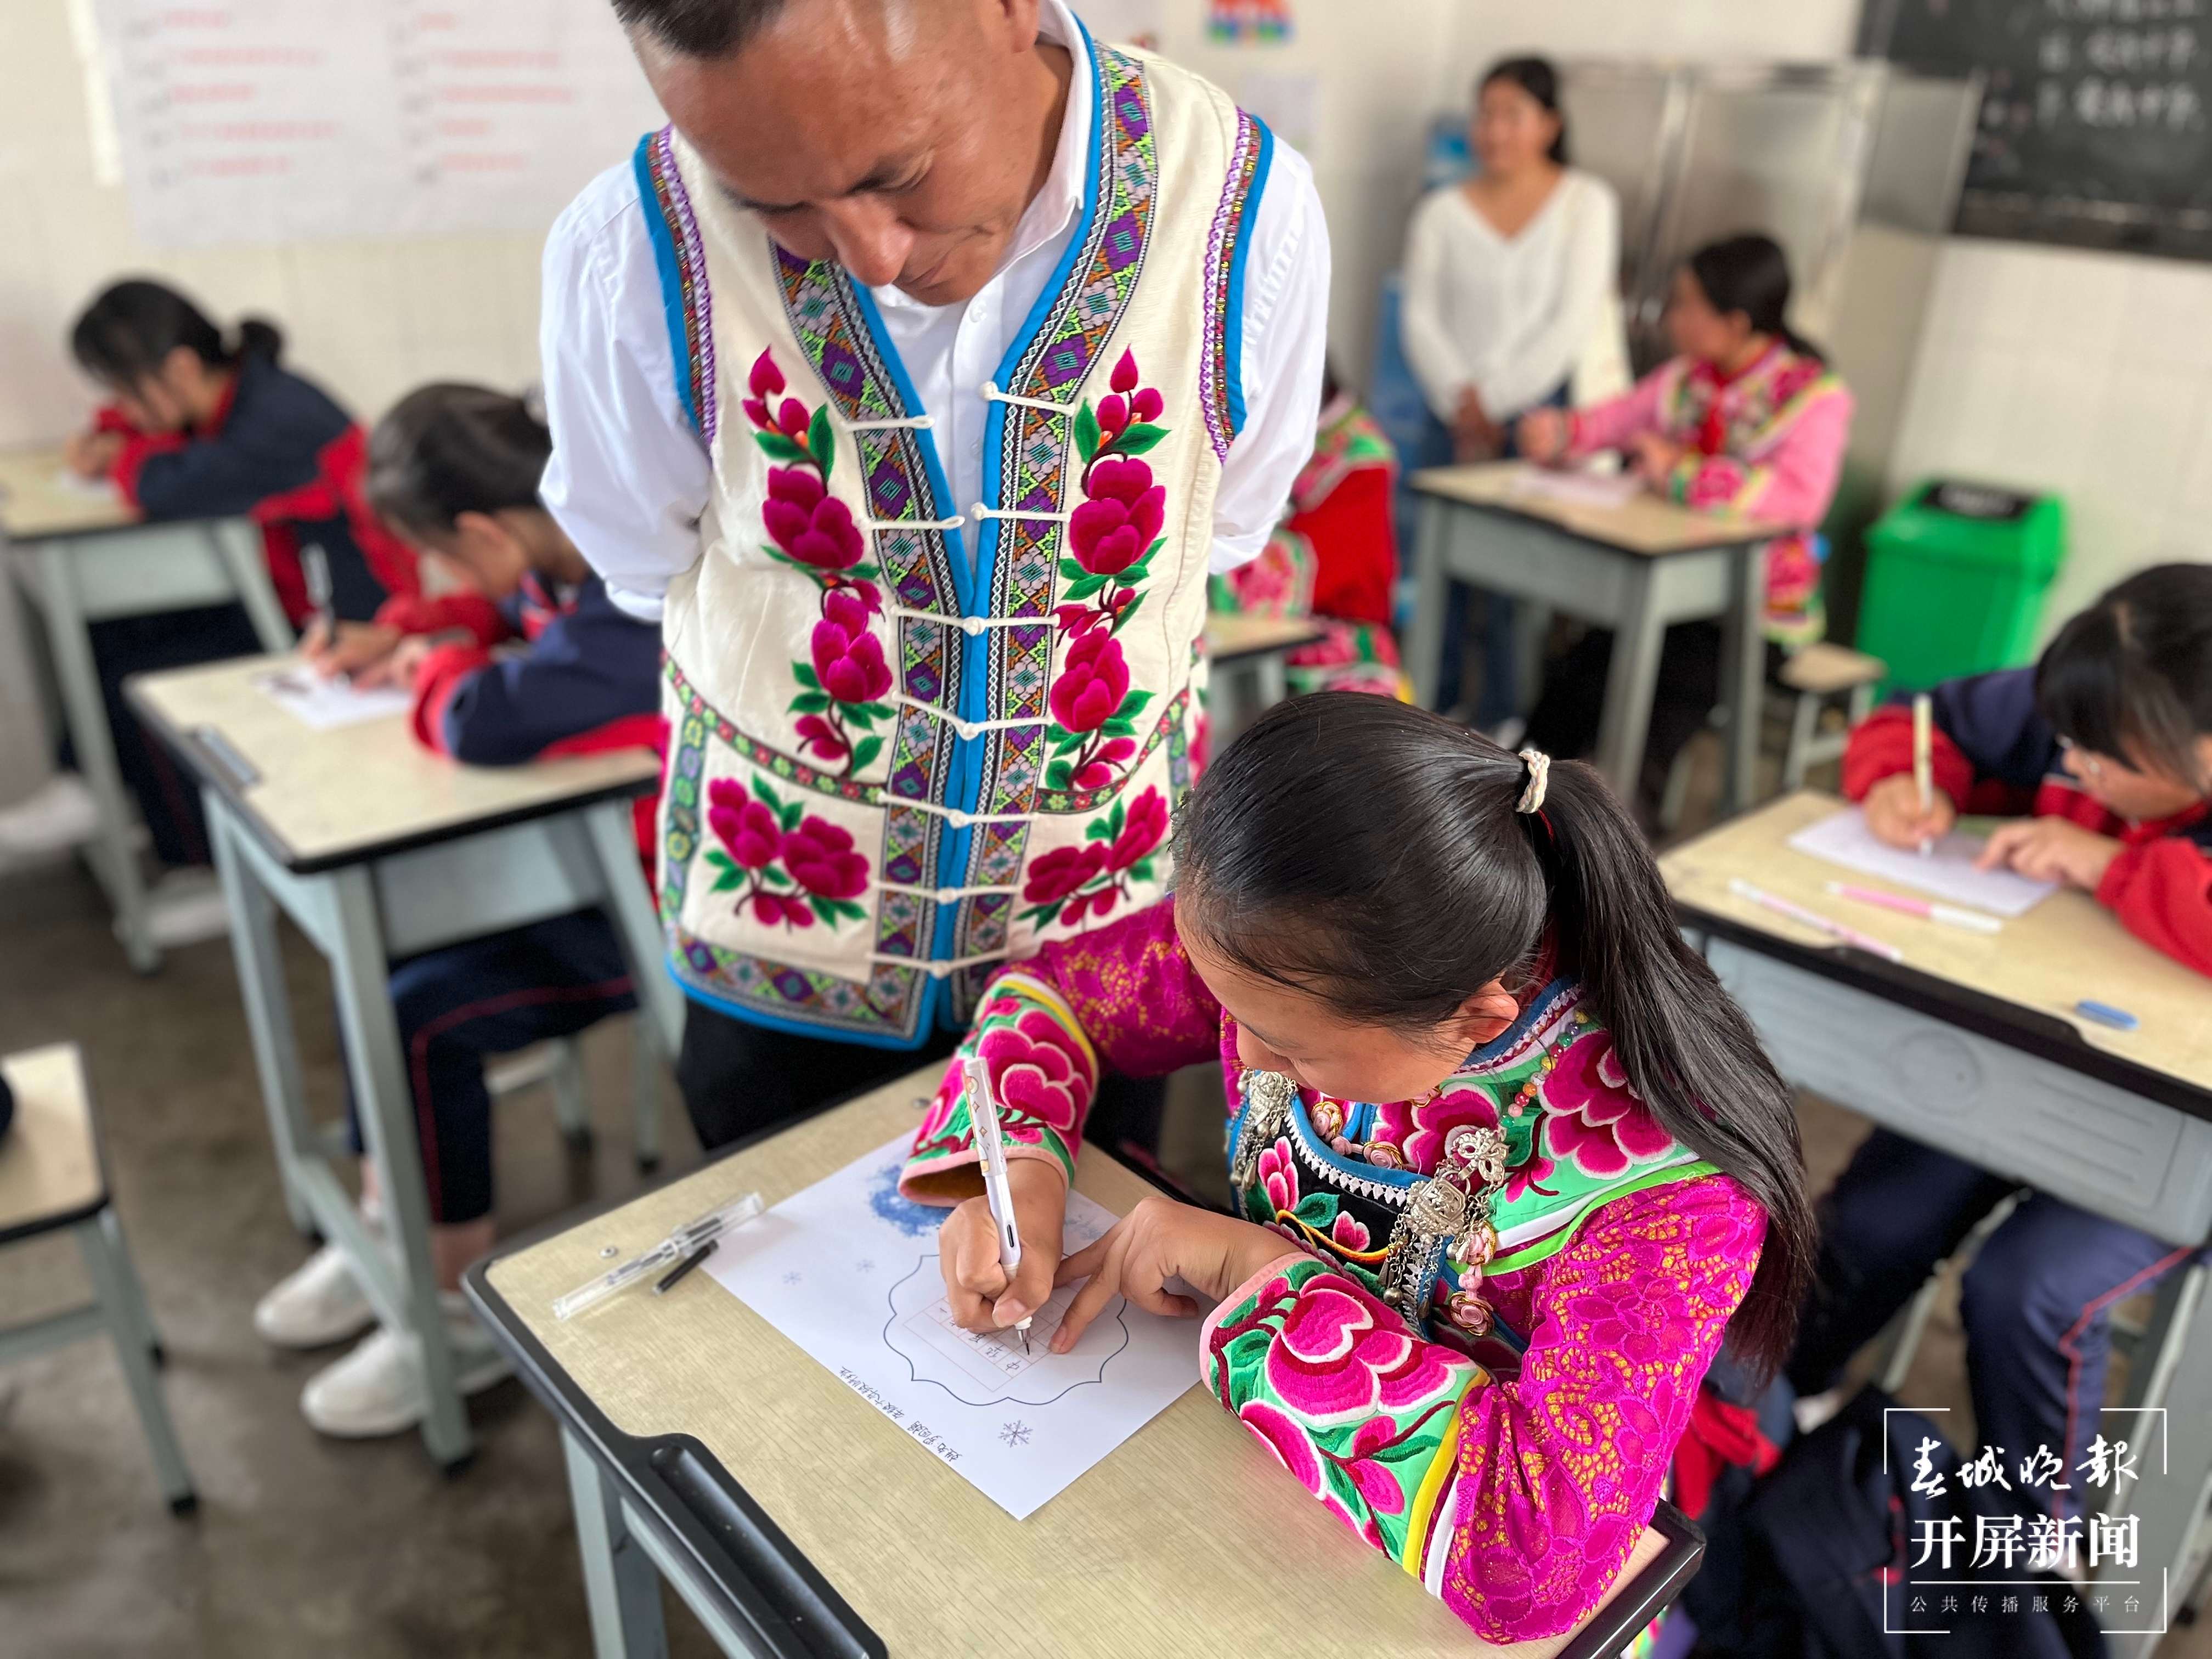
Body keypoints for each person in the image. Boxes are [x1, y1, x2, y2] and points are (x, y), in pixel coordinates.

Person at [541, 0, 1329, 1159]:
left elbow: (1216, 534)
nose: (869, 256)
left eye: (898, 171)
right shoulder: (630, 244)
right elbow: (642, 560)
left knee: (1076, 1303)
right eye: (773, 205)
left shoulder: (1241, 212)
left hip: (1093, 948)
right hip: (787, 942)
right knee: (778, 1305)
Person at [902, 693, 1814, 1645]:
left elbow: (1529, 1561)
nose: (1244, 1057)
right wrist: (1017, 1172)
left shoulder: (1670, 1192)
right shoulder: (1284, 938)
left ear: (1475, 1020)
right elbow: (1053, 990)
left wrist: (1255, 1277)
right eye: (1230, 1010)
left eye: (1293, 1051)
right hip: (1242, 1494)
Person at [254, 385, 662, 1438]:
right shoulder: (556, 558)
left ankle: (448, 1314)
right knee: (378, 966)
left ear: (484, 529)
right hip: (581, 870)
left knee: (419, 1012)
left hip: (663, 918)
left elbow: (484, 718)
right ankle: (389, 1231)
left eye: (442, 558)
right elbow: (502, 614)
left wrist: (434, 665)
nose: (446, 577)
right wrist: (418, 624)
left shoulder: (626, 600)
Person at [1789, 565, 2212, 1511]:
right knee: (1872, 1219)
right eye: (2070, 744)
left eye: (2106, 758)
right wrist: (1900, 779)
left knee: (2028, 1287)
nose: (2076, 764)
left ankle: (2034, 1531)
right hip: (2031, 1063)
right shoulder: (2084, 705)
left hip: (2179, 1134)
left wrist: (2116, 865)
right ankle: (1775, 1409)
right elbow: (1921, 721)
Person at [1, 281, 420, 873]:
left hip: (349, 618)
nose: (123, 405)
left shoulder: (280, 416)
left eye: (127, 387)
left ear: (179, 367)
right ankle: (90, 781)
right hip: (282, 594)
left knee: (143, 682)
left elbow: (166, 486)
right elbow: (148, 438)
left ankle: (204, 870)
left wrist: (118, 454)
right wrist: (115, 433)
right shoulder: (233, 394)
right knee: (117, 630)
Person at [1517, 234, 1854, 816]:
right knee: (1568, 690)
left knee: (1643, 728)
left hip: (1749, 619)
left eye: (1686, 304)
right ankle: (1504, 833)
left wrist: (1679, 474)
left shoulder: (1813, 396)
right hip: (1665, 598)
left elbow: (1800, 499)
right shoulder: (1686, 379)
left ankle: (1608, 872)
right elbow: (1613, 421)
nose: (1672, 317)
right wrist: (1560, 433)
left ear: (1735, 321)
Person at [1399, 56, 1620, 727]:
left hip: (1535, 425)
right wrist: (1460, 400)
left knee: (1516, 589)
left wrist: (1494, 405)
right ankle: (1425, 724)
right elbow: (1419, 315)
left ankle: (1504, 732)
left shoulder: (1585, 202)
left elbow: (1571, 321)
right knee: (1440, 581)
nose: (1494, 130)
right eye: (1485, 113)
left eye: (1512, 114)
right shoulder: (1441, 210)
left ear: (1549, 124)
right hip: (1449, 420)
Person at [1210, 364, 1404, 698]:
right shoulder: (1276, 433)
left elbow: (1293, 578)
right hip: (1259, 639)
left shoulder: (1363, 461)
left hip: (1339, 652)